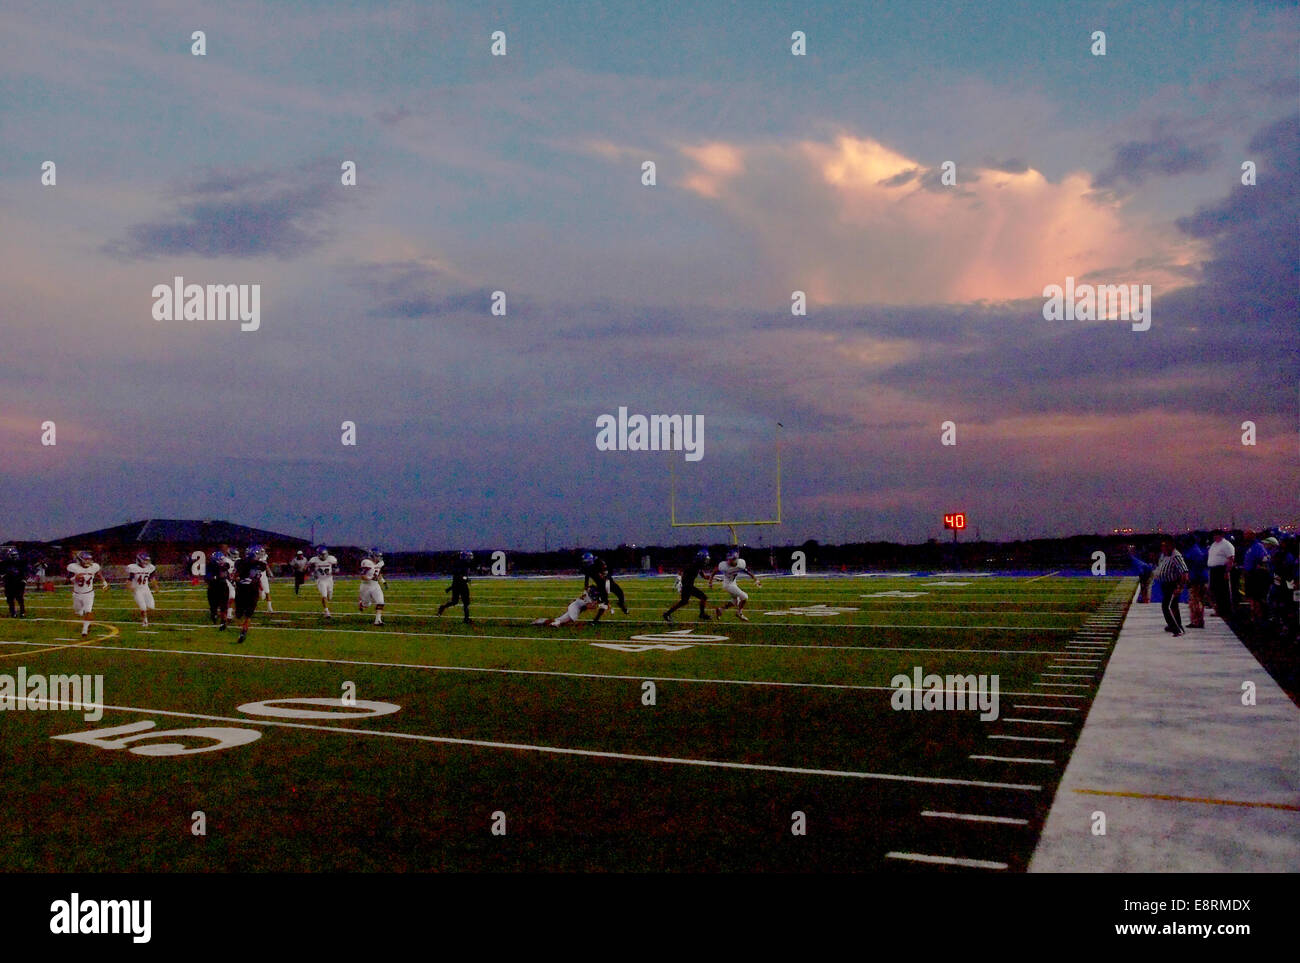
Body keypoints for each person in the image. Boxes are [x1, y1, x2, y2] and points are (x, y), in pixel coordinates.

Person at [710, 548, 761, 621]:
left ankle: (720, 610)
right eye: (729, 559)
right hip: (727, 585)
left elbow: (747, 571)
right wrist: (710, 582)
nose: (730, 561)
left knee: (735, 601)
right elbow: (714, 572)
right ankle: (739, 613)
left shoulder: (740, 564)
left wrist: (756, 579)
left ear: (736, 559)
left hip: (733, 583)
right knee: (744, 597)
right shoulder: (724, 565)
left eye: (732, 559)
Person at [663, 549, 713, 623]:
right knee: (703, 597)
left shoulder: (697, 565)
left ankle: (667, 614)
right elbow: (685, 575)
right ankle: (702, 614)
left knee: (684, 602)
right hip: (687, 586)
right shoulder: (693, 566)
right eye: (705, 559)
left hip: (688, 585)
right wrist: (684, 586)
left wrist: (711, 577)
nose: (706, 561)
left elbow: (704, 576)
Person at [66, 550, 109, 637]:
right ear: (80, 560)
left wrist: (104, 582)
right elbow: (67, 580)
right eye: (86, 559)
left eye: (89, 559)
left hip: (89, 593)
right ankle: (81, 612)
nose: (88, 561)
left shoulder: (94, 567)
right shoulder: (73, 567)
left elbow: (98, 574)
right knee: (78, 611)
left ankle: (85, 630)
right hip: (77, 594)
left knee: (88, 611)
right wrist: (75, 578)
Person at [232, 545, 269, 644]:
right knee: (248, 614)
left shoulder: (240, 562)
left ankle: (243, 631)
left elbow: (236, 576)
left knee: (239, 614)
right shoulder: (261, 564)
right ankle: (244, 631)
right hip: (253, 590)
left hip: (243, 589)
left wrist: (236, 579)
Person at [1152, 538, 1188, 636]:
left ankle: (1177, 628)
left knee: (1167, 606)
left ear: (1171, 546)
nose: (1163, 548)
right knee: (1172, 606)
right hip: (1165, 584)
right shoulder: (1164, 555)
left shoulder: (1176, 556)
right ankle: (1173, 625)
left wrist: (1180, 587)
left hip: (1172, 584)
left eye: (1166, 546)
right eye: (1163, 546)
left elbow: (1184, 572)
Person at [533, 583, 608, 627]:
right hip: (575, 607)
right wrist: (601, 605)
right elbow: (590, 606)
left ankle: (542, 621)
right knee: (563, 622)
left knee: (561, 620)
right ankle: (543, 621)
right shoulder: (588, 596)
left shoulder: (590, 593)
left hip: (576, 606)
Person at [1240, 530, 1271, 627]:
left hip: (1255, 576)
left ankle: (1259, 618)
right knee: (1251, 597)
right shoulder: (1250, 547)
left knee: (1256, 598)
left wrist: (1258, 567)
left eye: (1246, 535)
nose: (1244, 537)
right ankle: (1254, 617)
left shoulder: (1258, 546)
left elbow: (1265, 559)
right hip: (1249, 574)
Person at [437, 551, 474, 622]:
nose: (470, 558)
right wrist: (466, 579)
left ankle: (466, 618)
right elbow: (458, 577)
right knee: (455, 602)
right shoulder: (459, 564)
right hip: (458, 585)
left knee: (465, 602)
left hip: (461, 584)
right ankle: (443, 607)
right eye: (468, 556)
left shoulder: (465, 564)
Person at [1206, 530, 1234, 620]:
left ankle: (1225, 611)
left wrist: (1227, 571)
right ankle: (1218, 609)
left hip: (1221, 570)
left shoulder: (1226, 545)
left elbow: (1231, 558)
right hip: (1213, 570)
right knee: (1215, 591)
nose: (1214, 537)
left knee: (1222, 591)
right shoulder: (1214, 544)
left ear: (1221, 535)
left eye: (1216, 535)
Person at [125, 551, 157, 628]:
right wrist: (129, 587)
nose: (146, 562)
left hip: (146, 588)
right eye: (145, 560)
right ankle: (145, 621)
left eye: (147, 560)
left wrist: (156, 586)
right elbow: (130, 579)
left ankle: (143, 614)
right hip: (137, 589)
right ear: (139, 560)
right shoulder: (133, 568)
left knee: (151, 606)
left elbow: (152, 578)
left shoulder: (150, 567)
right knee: (143, 607)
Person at [1182, 536, 1208, 628]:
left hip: (1196, 579)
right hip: (1201, 578)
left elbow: (1195, 567)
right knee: (1199, 600)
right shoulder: (1198, 551)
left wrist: (1191, 578)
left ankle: (1196, 621)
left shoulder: (1192, 552)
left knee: (1195, 601)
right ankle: (1199, 620)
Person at [307, 545, 338, 619]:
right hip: (320, 580)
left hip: (329, 579)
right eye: (322, 554)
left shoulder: (331, 559)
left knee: (329, 596)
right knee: (324, 596)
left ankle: (326, 606)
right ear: (318, 554)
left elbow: (336, 567)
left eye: (325, 554)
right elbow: (308, 567)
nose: (324, 556)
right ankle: (327, 611)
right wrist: (312, 572)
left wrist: (335, 570)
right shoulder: (314, 560)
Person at [358, 549, 387, 626]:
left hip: (375, 585)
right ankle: (361, 603)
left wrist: (383, 582)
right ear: (372, 556)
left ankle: (377, 620)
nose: (379, 558)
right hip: (366, 586)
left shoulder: (380, 563)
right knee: (366, 605)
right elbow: (362, 576)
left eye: (380, 556)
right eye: (377, 556)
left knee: (381, 602)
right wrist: (371, 578)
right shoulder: (367, 563)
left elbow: (378, 573)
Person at [206, 549, 231, 627]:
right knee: (213, 606)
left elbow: (227, 574)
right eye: (220, 560)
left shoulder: (226, 565)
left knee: (224, 605)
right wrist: (213, 577)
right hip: (214, 587)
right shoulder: (210, 566)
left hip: (223, 586)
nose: (222, 561)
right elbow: (207, 578)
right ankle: (214, 615)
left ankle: (223, 620)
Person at [2, 547, 27, 618]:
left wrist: (23, 580)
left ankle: (20, 612)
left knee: (18, 599)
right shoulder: (6, 563)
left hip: (16, 583)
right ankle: (15, 612)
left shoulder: (19, 563)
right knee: (12, 599)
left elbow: (23, 573)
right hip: (10, 583)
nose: (14, 557)